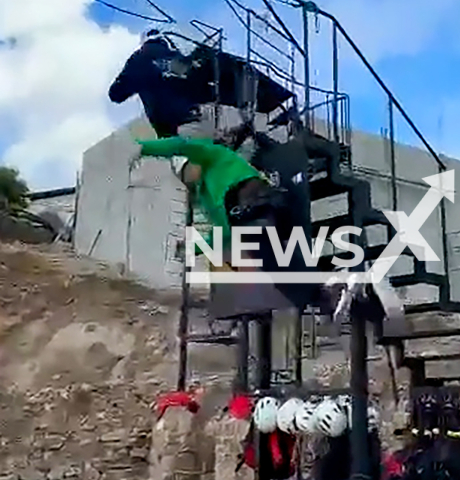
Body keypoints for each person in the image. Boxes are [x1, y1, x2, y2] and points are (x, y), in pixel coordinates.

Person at [130, 134, 323, 311]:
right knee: (269, 260)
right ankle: (319, 294)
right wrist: (192, 248)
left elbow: (181, 145)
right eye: (184, 178)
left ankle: (313, 286)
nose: (188, 178)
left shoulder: (213, 155)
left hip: (257, 200)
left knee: (260, 232)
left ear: (192, 162)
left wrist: (142, 148)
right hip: (247, 220)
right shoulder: (206, 198)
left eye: (187, 171)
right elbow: (223, 233)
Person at [109, 29, 206, 138]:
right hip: (195, 119)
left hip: (165, 127)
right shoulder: (179, 57)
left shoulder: (139, 60)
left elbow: (116, 94)